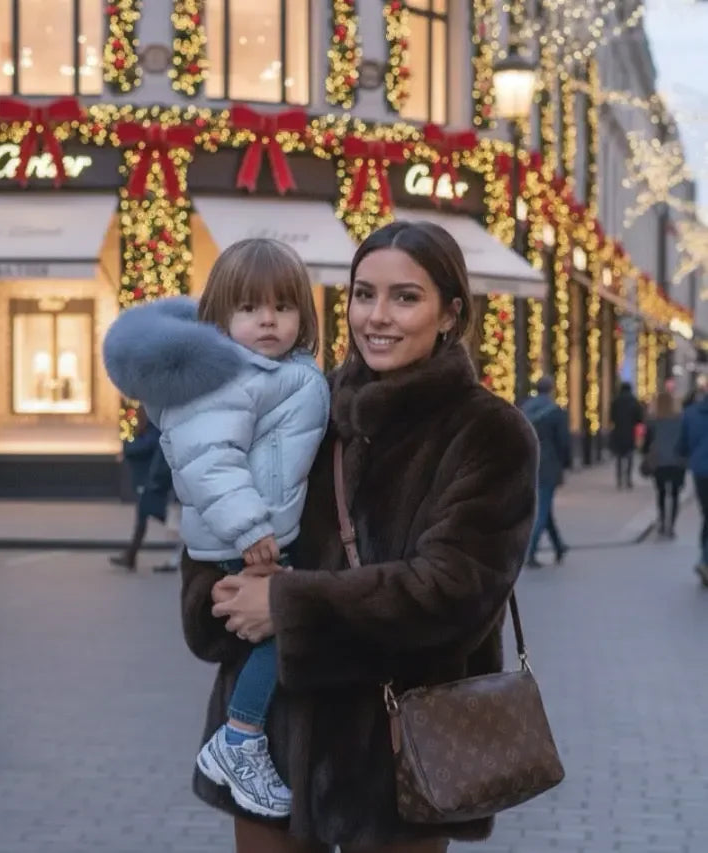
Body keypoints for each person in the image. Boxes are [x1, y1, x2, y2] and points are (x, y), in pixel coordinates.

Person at [178, 222, 538, 852]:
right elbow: (216, 548)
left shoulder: (488, 433)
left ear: (450, 313)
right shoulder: (304, 404)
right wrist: (222, 593)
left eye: (405, 297)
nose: (378, 316)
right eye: (362, 294)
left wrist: (288, 608)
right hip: (272, 748)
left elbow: (452, 594)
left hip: (398, 763)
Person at [104, 238, 330, 820]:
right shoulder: (231, 377)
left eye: (283, 307)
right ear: (219, 319)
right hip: (246, 537)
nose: (268, 320)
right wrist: (251, 525)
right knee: (279, 629)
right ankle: (239, 739)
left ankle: (240, 737)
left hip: (261, 529)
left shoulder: (276, 371)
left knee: (281, 627)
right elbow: (209, 459)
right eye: (250, 309)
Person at [110, 409, 173, 571]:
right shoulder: (150, 432)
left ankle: (131, 555)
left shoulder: (152, 433)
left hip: (149, 483)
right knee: (143, 518)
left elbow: (136, 449)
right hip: (147, 483)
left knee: (155, 515)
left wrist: (127, 442)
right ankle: (131, 555)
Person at [521, 375, 571, 567]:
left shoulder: (524, 409)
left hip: (528, 464)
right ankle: (530, 551)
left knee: (544, 507)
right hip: (548, 465)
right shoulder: (555, 412)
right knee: (542, 509)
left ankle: (558, 546)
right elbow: (563, 442)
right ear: (551, 389)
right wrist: (565, 464)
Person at [642, 390, 686, 539]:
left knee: (661, 493)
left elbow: (646, 444)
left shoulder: (653, 422)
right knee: (674, 494)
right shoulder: (680, 420)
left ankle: (661, 522)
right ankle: (671, 525)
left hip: (659, 462)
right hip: (677, 461)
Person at [677, 388, 708, 585]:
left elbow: (682, 445)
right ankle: (705, 559)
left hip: (700, 471)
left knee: (707, 513)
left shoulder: (691, 413)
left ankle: (704, 556)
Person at [610, 381, 644, 489]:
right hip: (630, 432)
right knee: (629, 456)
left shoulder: (616, 401)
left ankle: (619, 479)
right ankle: (628, 479)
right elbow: (639, 418)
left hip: (618, 431)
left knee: (619, 457)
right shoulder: (634, 401)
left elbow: (612, 417)